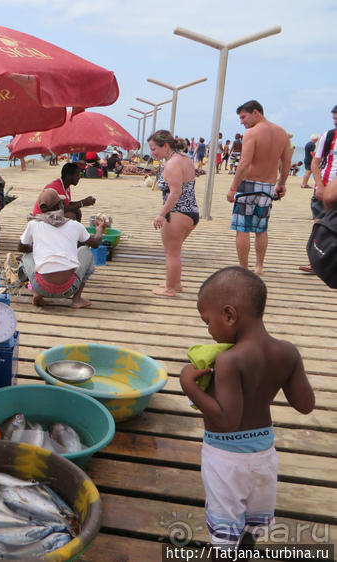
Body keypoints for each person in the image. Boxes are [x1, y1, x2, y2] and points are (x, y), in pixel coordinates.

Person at [180, 266, 314, 551]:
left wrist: (189, 386)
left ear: (229, 315)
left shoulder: (230, 360)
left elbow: (228, 420)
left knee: (224, 536)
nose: (209, 330)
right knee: (251, 527)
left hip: (226, 460)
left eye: (208, 322)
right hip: (264, 457)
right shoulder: (287, 351)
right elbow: (305, 405)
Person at [226, 100, 291, 275]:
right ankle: (259, 266)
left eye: (243, 117)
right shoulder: (282, 133)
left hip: (248, 184)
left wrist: (233, 188)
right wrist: (281, 184)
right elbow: (286, 163)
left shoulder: (251, 133)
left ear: (256, 112)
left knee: (243, 228)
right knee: (261, 228)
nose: (241, 121)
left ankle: (244, 268)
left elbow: (245, 163)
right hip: (268, 185)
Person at [18, 188, 106, 308]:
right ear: (60, 205)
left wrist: (37, 247)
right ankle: (76, 299)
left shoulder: (33, 224)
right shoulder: (75, 225)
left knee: (25, 257)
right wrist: (100, 229)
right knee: (86, 251)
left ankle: (35, 292)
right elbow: (95, 243)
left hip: (41, 286)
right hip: (69, 289)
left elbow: (21, 247)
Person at [148, 131, 198, 297]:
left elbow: (175, 192)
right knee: (174, 251)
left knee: (171, 253)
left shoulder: (172, 164)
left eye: (154, 149)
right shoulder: (185, 158)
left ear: (166, 146)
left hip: (177, 213)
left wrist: (161, 214)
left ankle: (169, 289)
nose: (152, 153)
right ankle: (175, 283)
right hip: (191, 212)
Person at [299, 107, 337, 272]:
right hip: (326, 186)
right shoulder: (328, 136)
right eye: (334, 119)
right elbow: (315, 162)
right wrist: (319, 185)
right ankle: (317, 262)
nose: (335, 122)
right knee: (320, 226)